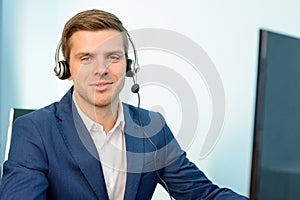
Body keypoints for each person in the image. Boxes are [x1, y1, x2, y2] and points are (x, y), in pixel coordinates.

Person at [0, 9, 248, 199]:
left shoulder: (152, 129)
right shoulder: (34, 131)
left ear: (129, 66)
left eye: (113, 57)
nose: (101, 70)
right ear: (66, 69)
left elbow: (202, 195)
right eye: (86, 58)